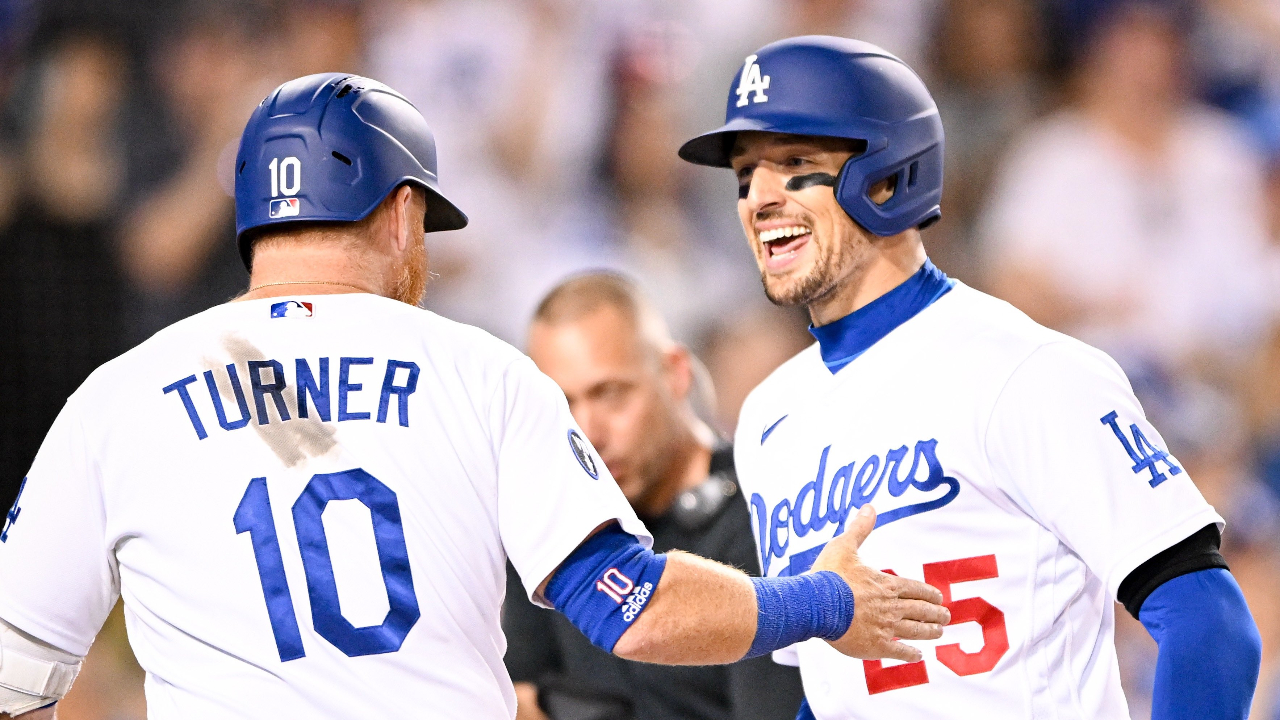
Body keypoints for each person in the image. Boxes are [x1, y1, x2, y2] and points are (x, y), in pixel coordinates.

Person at [0, 72, 950, 719]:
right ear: (402, 211)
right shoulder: (479, 371)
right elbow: (633, 609)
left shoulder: (116, 399)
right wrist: (819, 603)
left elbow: (15, 673)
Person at [677, 37, 1263, 719]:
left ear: (889, 176)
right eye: (746, 175)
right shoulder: (767, 417)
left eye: (795, 165)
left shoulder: (1025, 372)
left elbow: (1210, 627)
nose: (758, 200)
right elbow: (832, 689)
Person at [503, 272, 805, 720]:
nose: (588, 434)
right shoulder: (550, 524)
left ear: (675, 373)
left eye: (610, 394)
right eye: (563, 407)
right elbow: (515, 698)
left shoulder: (767, 517)